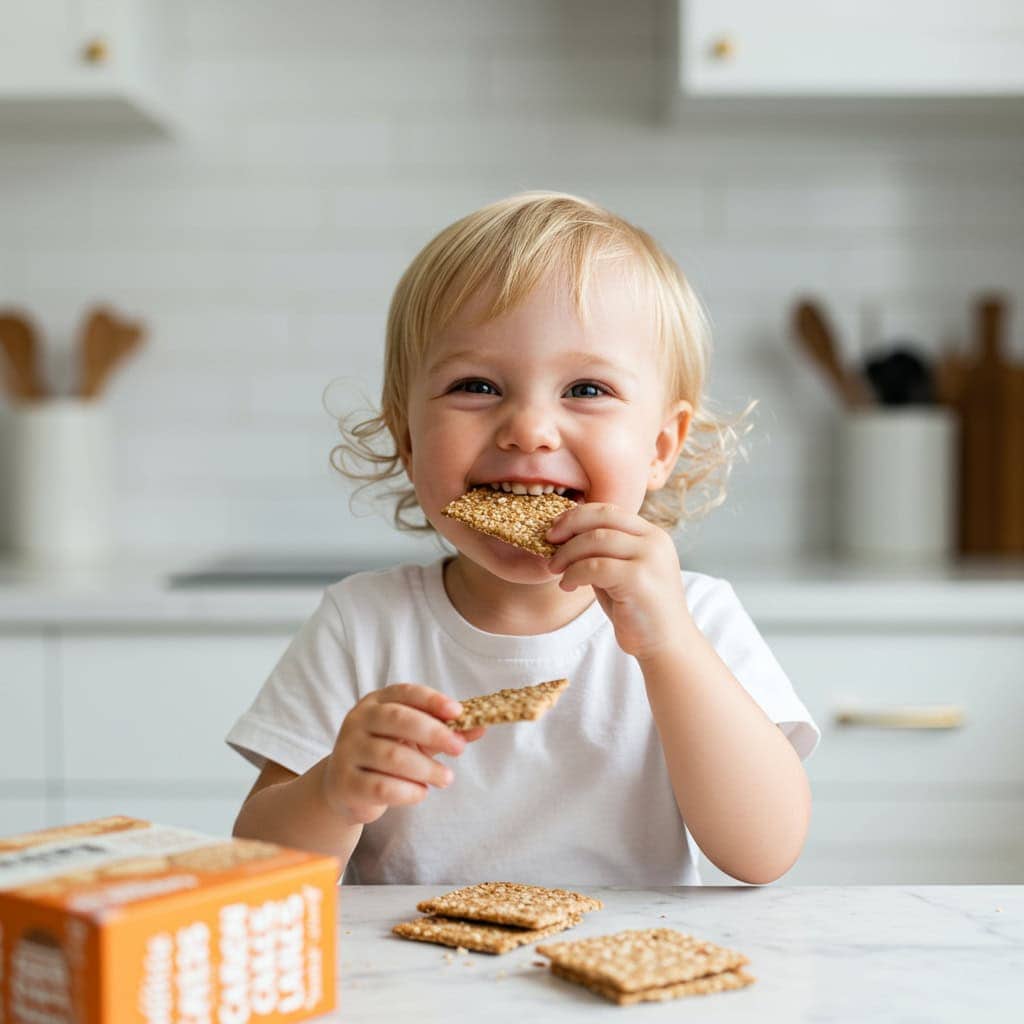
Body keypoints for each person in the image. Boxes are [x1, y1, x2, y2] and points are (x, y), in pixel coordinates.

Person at [226, 191, 820, 887]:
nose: (529, 428)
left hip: (622, 991)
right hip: (412, 985)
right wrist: (333, 793)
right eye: (476, 385)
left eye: (587, 389)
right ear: (409, 440)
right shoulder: (364, 626)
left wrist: (670, 646)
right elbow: (257, 872)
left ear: (662, 445)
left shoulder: (699, 619)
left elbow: (764, 853)